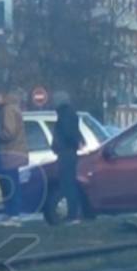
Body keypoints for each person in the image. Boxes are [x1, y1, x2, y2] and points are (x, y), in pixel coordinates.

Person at [0, 89, 28, 223]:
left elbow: (9, 132)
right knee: (12, 183)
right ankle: (13, 213)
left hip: (10, 152)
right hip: (16, 151)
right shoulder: (14, 108)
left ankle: (13, 213)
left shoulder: (7, 110)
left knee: (10, 184)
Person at [52, 92, 83, 221]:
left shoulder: (65, 115)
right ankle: (72, 213)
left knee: (68, 184)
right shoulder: (70, 113)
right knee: (69, 184)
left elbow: (68, 133)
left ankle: (72, 214)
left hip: (66, 153)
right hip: (69, 151)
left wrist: (58, 145)